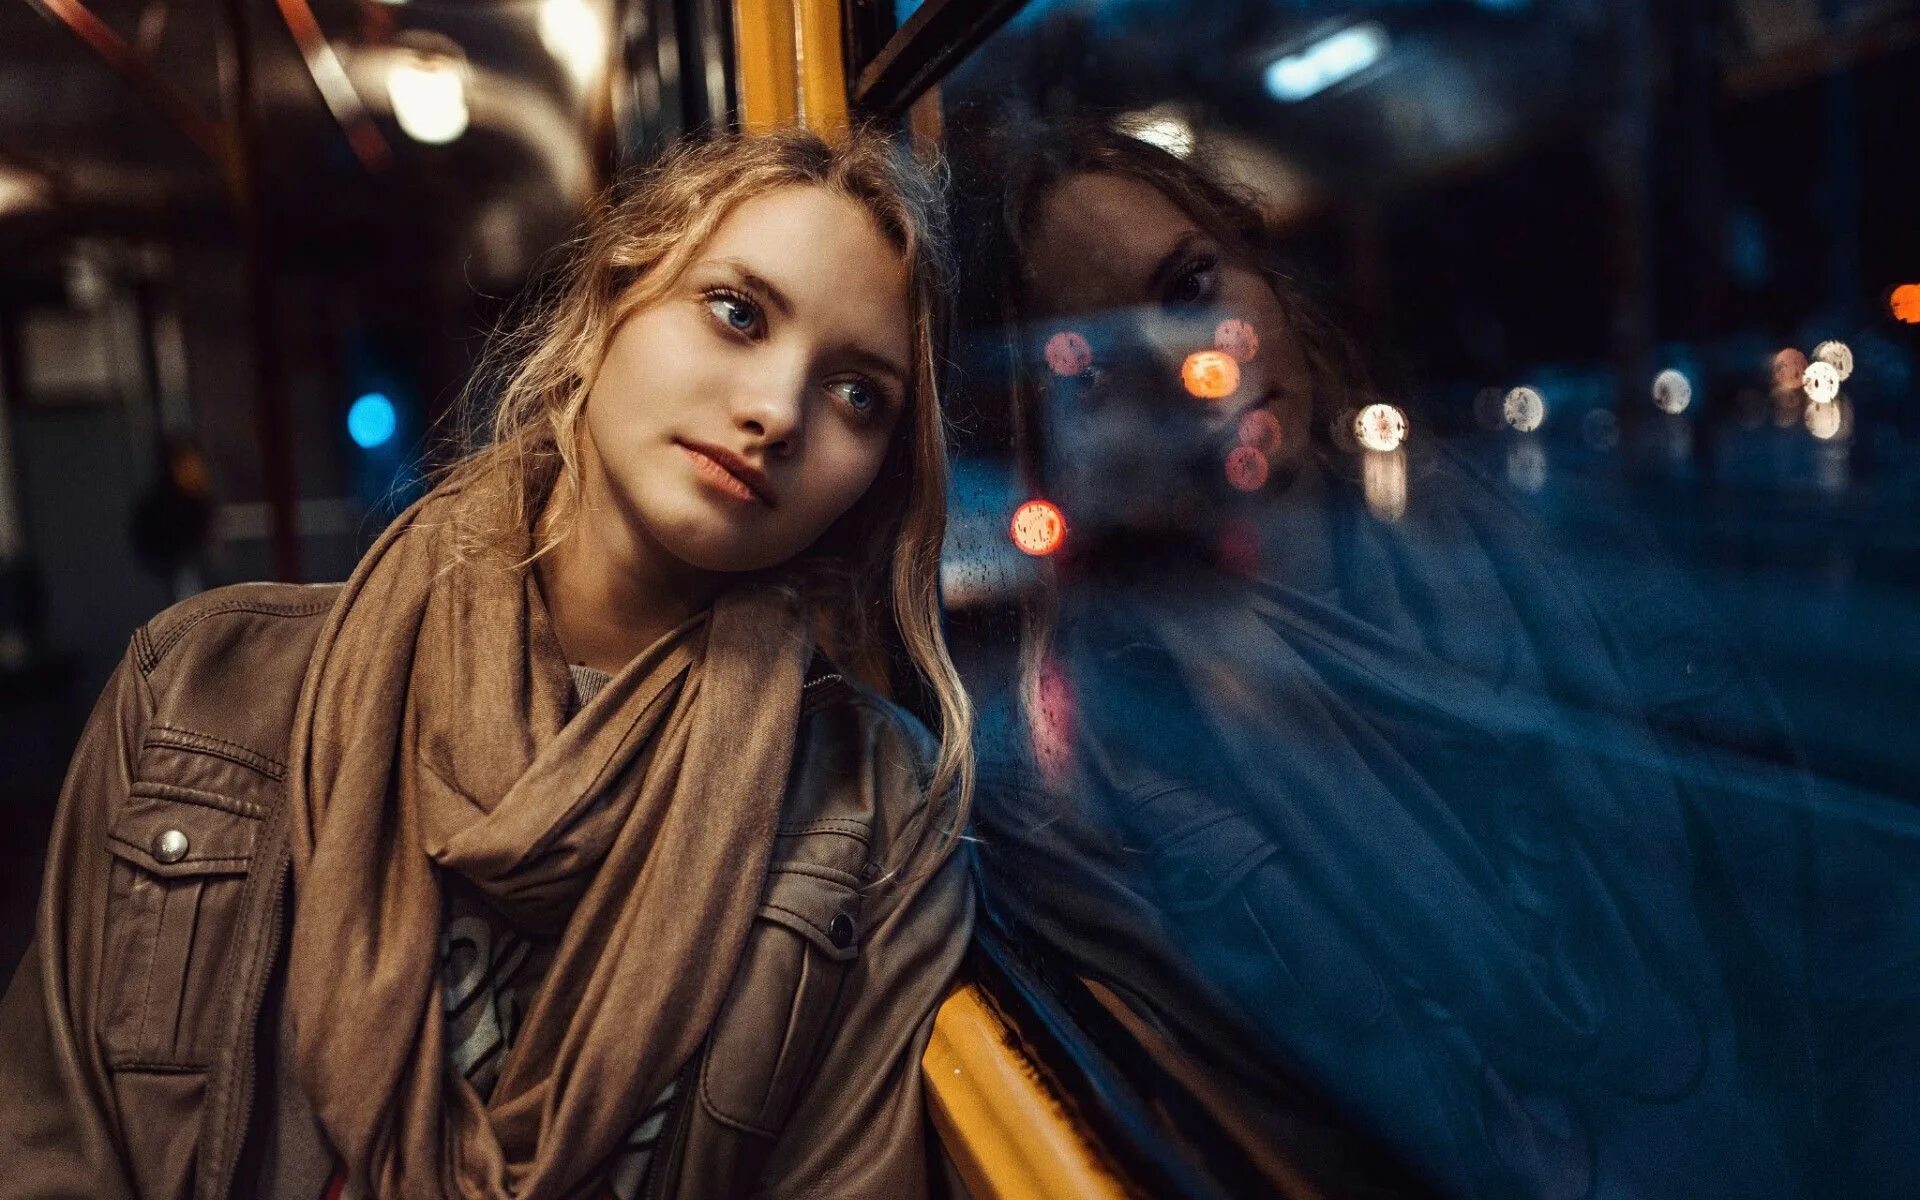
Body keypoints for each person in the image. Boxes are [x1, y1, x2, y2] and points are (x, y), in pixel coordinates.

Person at [948, 112, 1917, 1199]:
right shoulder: (1091, 765)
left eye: (1191, 287)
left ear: (1267, 281)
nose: (1192, 367)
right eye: (1096, 363)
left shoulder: (1534, 546)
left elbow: (1827, 911)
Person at [0, 127, 976, 1200]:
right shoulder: (200, 684)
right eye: (737, 312)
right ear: (610, 302)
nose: (776, 413)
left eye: (857, 395)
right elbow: (50, 1144)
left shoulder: (881, 813)